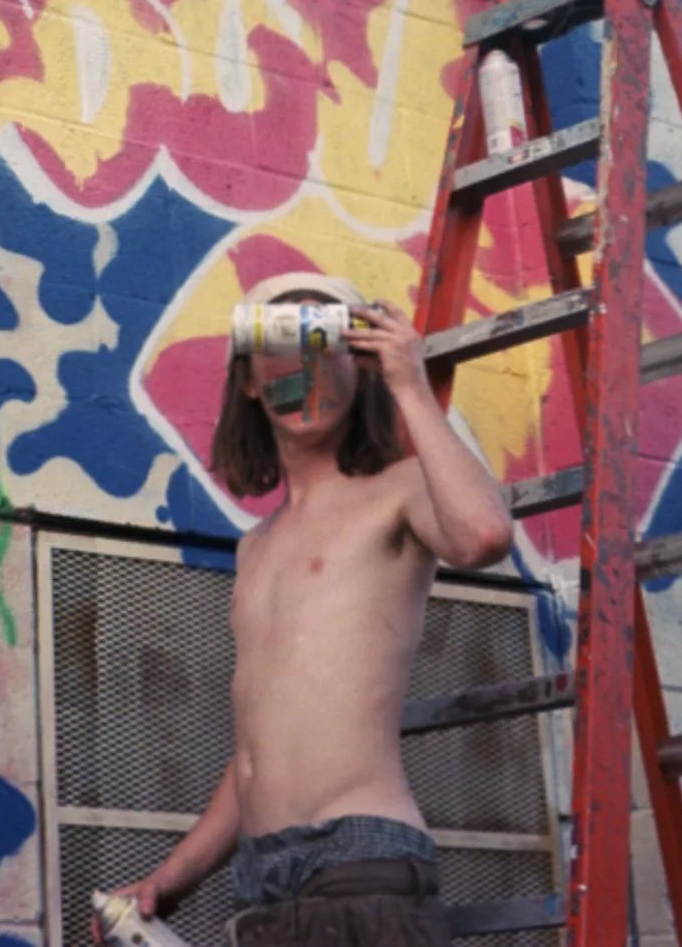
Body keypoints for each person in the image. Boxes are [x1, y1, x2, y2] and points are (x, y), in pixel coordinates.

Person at [97, 272, 517, 947]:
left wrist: (409, 382)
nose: (304, 368)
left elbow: (484, 536)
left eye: (324, 343)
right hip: (261, 881)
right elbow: (257, 755)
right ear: (250, 379)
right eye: (281, 345)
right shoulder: (255, 548)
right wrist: (166, 881)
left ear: (360, 367)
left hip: (358, 862)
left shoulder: (398, 489)